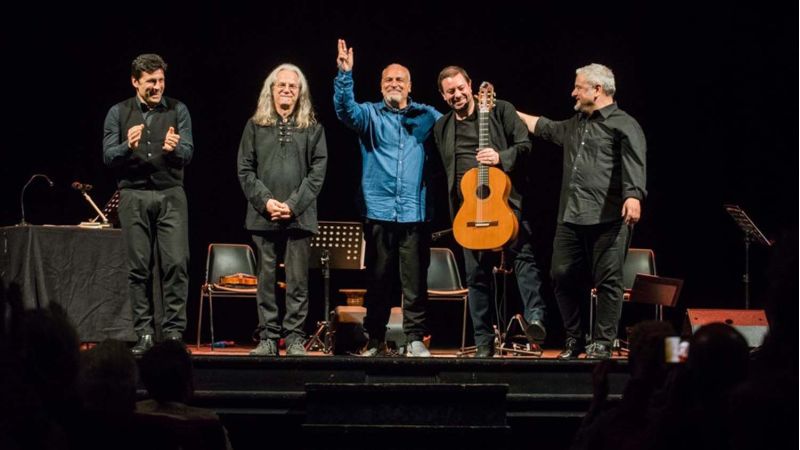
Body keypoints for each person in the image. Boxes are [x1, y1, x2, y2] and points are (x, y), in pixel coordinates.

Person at [518, 63, 646, 360]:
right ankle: (576, 338)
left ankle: (602, 342)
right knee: (560, 275)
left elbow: (634, 162)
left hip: (610, 217)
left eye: (578, 86)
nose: (573, 92)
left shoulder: (624, 124)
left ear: (597, 89)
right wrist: (504, 109)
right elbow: (543, 126)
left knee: (608, 281)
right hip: (571, 217)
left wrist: (633, 195)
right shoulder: (576, 124)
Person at [333, 39, 441, 357]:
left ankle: (415, 339)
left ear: (410, 87)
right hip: (378, 209)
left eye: (400, 80)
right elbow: (344, 110)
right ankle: (376, 340)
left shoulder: (428, 116)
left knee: (414, 281)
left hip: (415, 211)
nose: (394, 84)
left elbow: (453, 129)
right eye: (388, 80)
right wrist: (344, 75)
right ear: (381, 87)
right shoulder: (369, 115)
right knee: (378, 280)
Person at [432, 66, 546, 357]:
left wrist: (500, 157)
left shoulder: (501, 111)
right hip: (468, 210)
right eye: (450, 92)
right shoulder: (442, 126)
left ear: (470, 85)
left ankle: (535, 318)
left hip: (504, 202)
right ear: (443, 96)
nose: (457, 94)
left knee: (523, 258)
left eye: (460, 88)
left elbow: (525, 146)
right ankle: (483, 341)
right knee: (475, 276)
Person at [103, 53, 194, 354]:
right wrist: (126, 147)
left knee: (176, 264)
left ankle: (173, 333)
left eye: (161, 81)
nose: (157, 87)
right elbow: (108, 157)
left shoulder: (178, 109)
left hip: (170, 194)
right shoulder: (118, 112)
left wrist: (175, 148)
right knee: (139, 268)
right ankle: (144, 333)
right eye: (151, 82)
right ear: (135, 81)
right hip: (133, 195)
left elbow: (189, 152)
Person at [238, 63, 327, 357]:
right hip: (263, 216)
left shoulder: (312, 127)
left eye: (293, 86)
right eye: (282, 85)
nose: (287, 90)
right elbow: (245, 169)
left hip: (299, 217)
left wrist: (291, 205)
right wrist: (266, 202)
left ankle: (294, 339)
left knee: (298, 282)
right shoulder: (255, 126)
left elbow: (317, 172)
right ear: (271, 90)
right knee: (265, 281)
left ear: (300, 92)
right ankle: (267, 337)